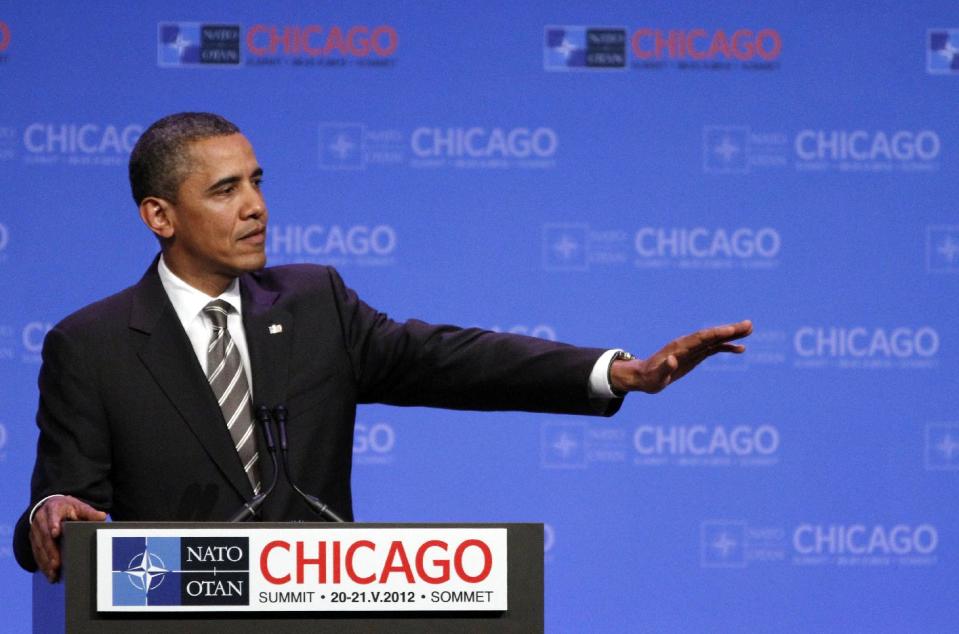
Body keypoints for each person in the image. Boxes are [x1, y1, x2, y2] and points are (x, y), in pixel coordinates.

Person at [13, 113, 752, 582]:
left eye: (258, 182)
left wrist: (617, 372)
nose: (255, 206)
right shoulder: (95, 344)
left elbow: (449, 359)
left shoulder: (311, 303)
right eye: (226, 189)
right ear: (159, 215)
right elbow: (58, 503)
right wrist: (52, 514)